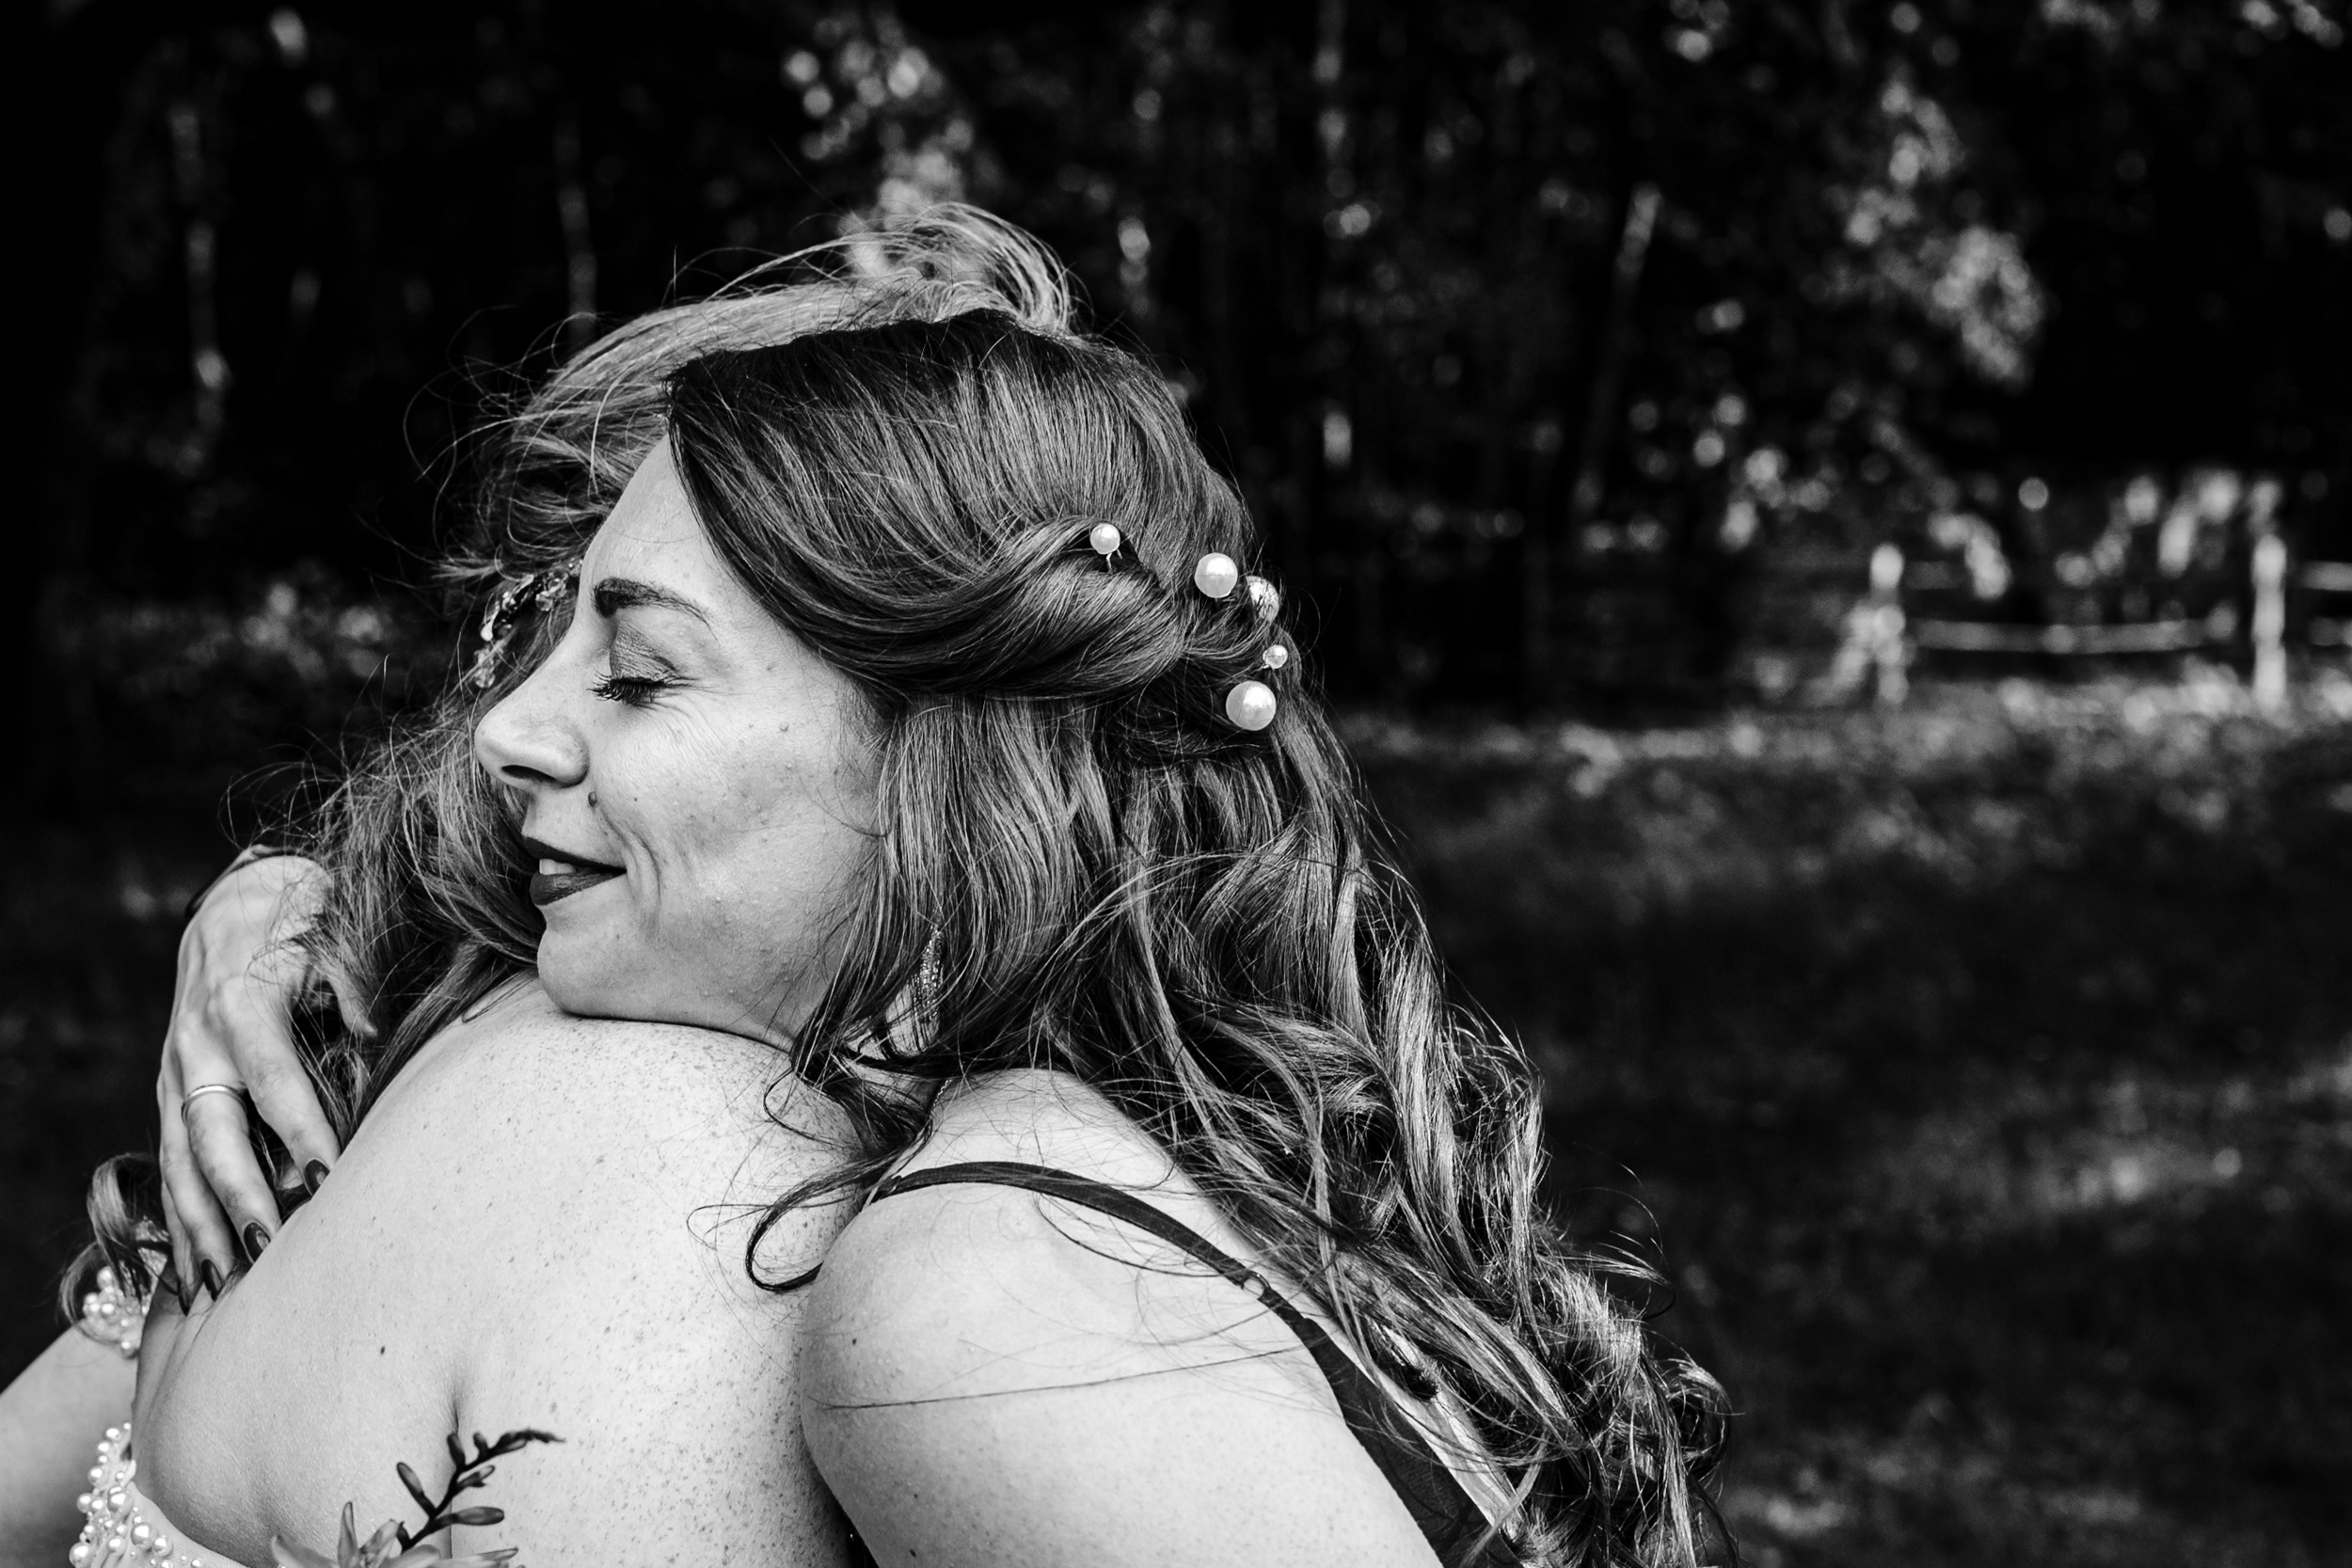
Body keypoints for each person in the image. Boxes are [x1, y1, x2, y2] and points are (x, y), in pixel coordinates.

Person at [3, 208, 1728, 1568]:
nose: (500, 737)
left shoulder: (970, 1300)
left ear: (936, 775)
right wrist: (293, 898)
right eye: (538, 639)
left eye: (640, 672)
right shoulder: (1040, 1166)